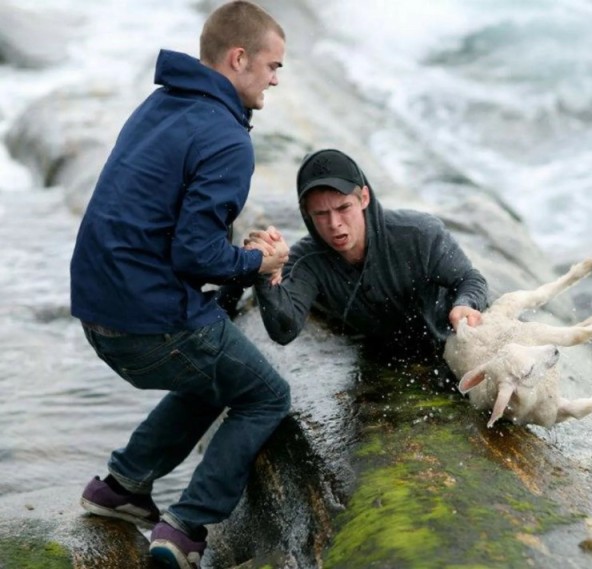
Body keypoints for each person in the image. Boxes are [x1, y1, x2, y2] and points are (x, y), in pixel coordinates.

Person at [69, 2, 291, 567]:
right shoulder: (226, 136)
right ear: (238, 58)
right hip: (148, 324)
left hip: (98, 313)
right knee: (266, 394)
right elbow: (196, 253)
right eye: (272, 66)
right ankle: (187, 527)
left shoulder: (161, 104)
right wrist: (257, 264)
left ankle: (120, 488)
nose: (274, 79)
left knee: (213, 369)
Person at [248, 148, 488, 366]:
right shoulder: (305, 261)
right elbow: (283, 331)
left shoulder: (419, 234)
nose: (334, 224)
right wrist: (264, 272)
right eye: (321, 214)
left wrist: (466, 305)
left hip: (449, 344)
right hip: (383, 355)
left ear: (364, 197)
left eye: (344, 208)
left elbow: (470, 278)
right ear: (306, 213)